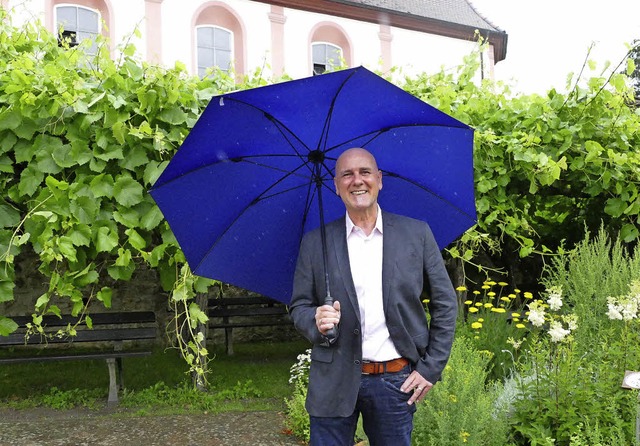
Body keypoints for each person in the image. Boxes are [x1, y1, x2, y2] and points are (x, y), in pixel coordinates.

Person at [289, 147, 458, 446]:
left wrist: (430, 368)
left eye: (365, 172)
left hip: (395, 380)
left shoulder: (416, 234)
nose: (357, 180)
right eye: (347, 174)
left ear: (379, 179)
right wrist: (315, 320)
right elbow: (299, 306)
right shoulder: (317, 243)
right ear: (335, 184)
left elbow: (445, 304)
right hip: (333, 379)